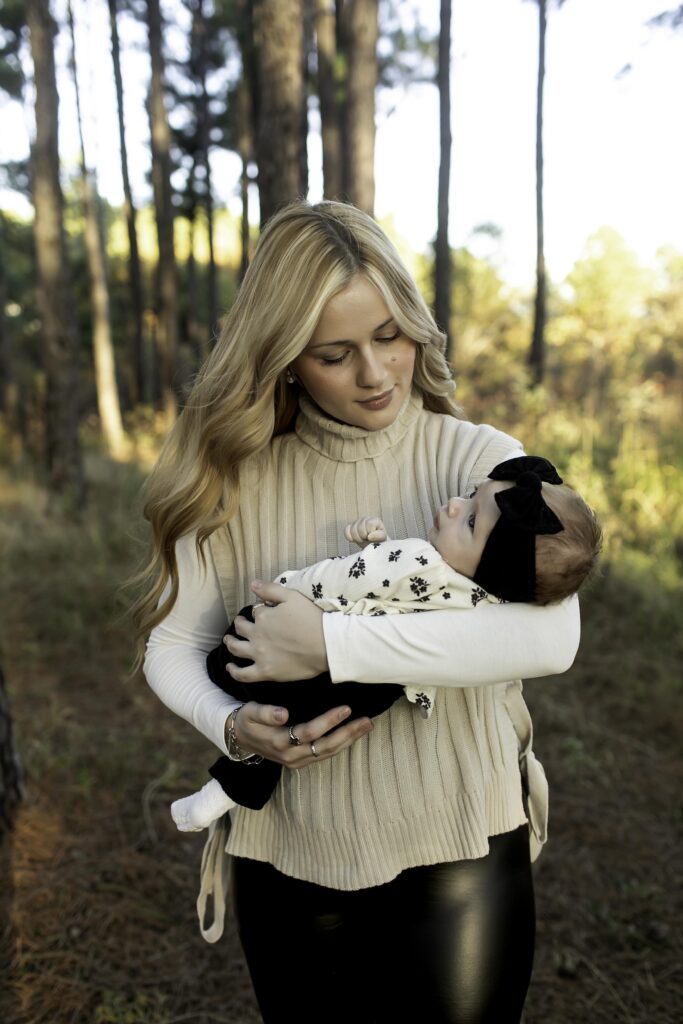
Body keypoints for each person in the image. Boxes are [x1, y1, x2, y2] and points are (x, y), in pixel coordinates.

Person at [137, 200, 583, 1024]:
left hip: (459, 848)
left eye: (390, 335)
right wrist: (232, 729)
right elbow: (173, 644)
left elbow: (553, 635)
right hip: (288, 855)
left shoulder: (480, 460)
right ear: (284, 361)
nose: (376, 374)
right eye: (335, 354)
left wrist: (333, 643)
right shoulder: (231, 480)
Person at [171, 455, 600, 832]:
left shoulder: (424, 558)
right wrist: (377, 545)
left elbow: (352, 577)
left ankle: (230, 782)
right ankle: (229, 785)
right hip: (378, 693)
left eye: (470, 520)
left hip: (321, 666)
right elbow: (395, 587)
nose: (455, 503)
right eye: (471, 494)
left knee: (243, 676)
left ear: (499, 570)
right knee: (281, 721)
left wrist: (289, 590)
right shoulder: (485, 598)